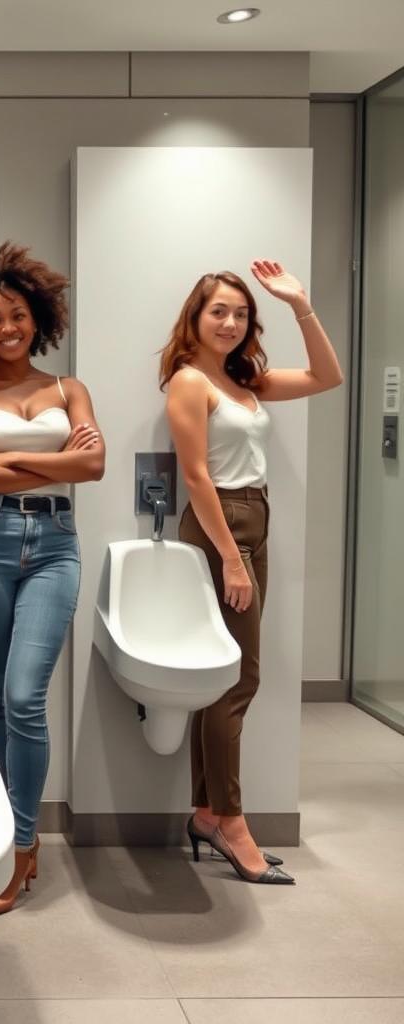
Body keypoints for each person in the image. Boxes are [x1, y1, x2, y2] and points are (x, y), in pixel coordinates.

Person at [0, 242, 104, 919]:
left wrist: (10, 459)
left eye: (18, 316)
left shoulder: (70, 388)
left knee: (24, 696)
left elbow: (94, 469)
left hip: (56, 546)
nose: (8, 329)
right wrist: (55, 460)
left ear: (39, 317)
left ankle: (23, 845)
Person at [162, 260, 342, 884]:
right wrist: (233, 559)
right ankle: (230, 821)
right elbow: (195, 476)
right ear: (196, 316)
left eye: (240, 313)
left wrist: (300, 304)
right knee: (237, 679)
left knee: (225, 676)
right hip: (221, 525)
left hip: (252, 516)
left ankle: (209, 811)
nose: (231, 322)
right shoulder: (190, 382)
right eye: (219, 311)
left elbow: (328, 375)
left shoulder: (246, 382)